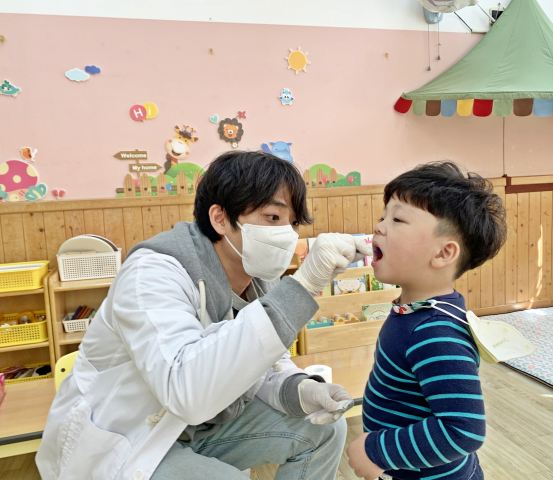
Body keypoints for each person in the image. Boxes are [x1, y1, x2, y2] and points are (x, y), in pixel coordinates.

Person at [36, 151, 372, 480]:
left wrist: (299, 389)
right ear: (220, 218)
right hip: (130, 437)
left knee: (324, 430)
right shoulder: (152, 273)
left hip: (199, 426)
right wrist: (303, 287)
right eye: (273, 217)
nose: (287, 233)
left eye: (293, 222)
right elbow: (186, 391)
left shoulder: (258, 275)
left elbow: (262, 363)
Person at [347, 162, 507, 480]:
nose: (379, 227)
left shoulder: (434, 333)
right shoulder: (415, 310)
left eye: (398, 220)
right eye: (383, 216)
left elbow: (464, 430)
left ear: (444, 253)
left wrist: (377, 451)